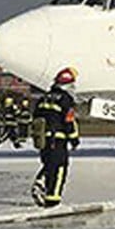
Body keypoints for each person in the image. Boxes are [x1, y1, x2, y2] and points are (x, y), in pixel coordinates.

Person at [31, 67, 81, 208]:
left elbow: (36, 117)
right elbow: (69, 121)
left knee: (49, 164)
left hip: (43, 140)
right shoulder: (65, 99)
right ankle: (53, 199)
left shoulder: (43, 98)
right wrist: (74, 139)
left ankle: (41, 181)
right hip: (57, 139)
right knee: (59, 168)